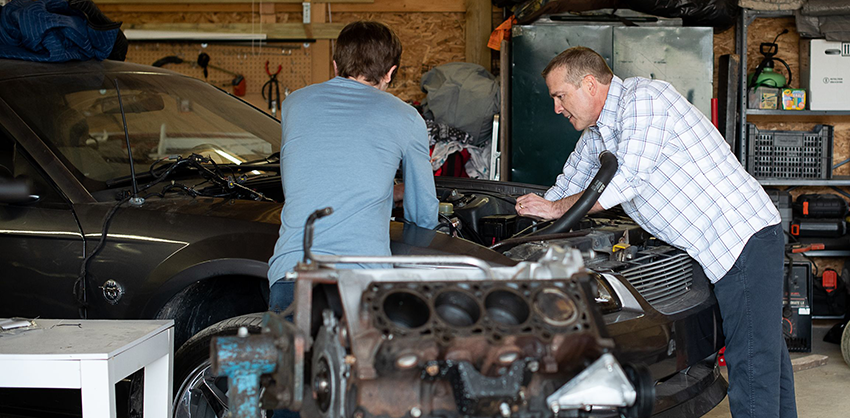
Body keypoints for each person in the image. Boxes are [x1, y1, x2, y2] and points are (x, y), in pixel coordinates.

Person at [515, 46, 796, 418]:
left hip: (741, 239)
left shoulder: (645, 100)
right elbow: (565, 188)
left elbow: (624, 181)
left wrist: (553, 208)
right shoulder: (596, 136)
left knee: (751, 364)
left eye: (559, 96)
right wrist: (527, 219)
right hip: (717, 248)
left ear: (588, 84)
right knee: (765, 356)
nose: (557, 108)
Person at [267, 21, 439, 314]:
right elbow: (422, 213)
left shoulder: (294, 104)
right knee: (356, 360)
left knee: (289, 358)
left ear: (335, 66)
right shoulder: (407, 118)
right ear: (390, 72)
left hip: (292, 271)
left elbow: (321, 171)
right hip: (360, 278)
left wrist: (387, 191)